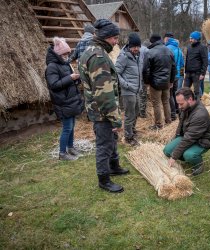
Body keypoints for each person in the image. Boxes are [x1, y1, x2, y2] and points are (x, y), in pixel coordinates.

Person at [79, 19, 129, 193]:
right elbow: (104, 94)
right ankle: (104, 179)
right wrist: (116, 119)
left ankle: (114, 167)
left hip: (101, 109)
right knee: (104, 144)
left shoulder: (93, 51)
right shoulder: (98, 57)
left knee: (111, 140)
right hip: (103, 112)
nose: (116, 42)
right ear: (105, 37)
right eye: (114, 38)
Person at [45, 37, 83, 161]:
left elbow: (68, 81)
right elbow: (54, 85)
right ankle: (62, 153)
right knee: (67, 128)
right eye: (65, 53)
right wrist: (70, 78)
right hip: (63, 102)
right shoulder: (52, 67)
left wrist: (76, 79)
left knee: (72, 126)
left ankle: (70, 147)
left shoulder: (65, 64)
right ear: (59, 54)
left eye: (68, 53)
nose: (67, 55)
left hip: (70, 101)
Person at [163, 88, 210, 176]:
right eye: (178, 104)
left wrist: (174, 157)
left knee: (188, 155)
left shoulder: (200, 115)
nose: (179, 107)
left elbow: (189, 139)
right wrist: (176, 137)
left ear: (190, 99)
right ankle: (185, 153)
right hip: (189, 136)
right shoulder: (186, 107)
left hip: (202, 141)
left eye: (181, 104)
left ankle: (198, 165)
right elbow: (181, 124)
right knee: (167, 151)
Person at [143, 34, 176, 130]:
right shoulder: (168, 50)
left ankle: (158, 124)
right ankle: (168, 121)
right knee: (166, 102)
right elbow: (173, 68)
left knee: (156, 103)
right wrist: (171, 81)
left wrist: (147, 82)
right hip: (166, 82)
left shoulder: (150, 52)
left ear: (151, 42)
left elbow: (146, 70)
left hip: (155, 83)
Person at [115, 33, 143, 146]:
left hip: (137, 89)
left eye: (138, 46)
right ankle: (128, 137)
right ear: (129, 45)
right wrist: (125, 85)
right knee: (129, 114)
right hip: (128, 91)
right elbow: (116, 72)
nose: (136, 48)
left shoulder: (139, 55)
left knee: (136, 112)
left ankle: (132, 130)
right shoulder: (124, 56)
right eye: (134, 46)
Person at [184, 31, 208, 99]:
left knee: (197, 91)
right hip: (188, 73)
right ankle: (186, 105)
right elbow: (187, 59)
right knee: (185, 90)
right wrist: (186, 71)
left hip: (197, 73)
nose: (190, 40)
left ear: (196, 39)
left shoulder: (202, 47)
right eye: (190, 38)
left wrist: (202, 74)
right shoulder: (189, 47)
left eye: (192, 38)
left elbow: (205, 61)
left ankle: (198, 105)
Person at [166, 37, 185, 120]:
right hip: (177, 75)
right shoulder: (179, 50)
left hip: (170, 74)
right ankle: (178, 110)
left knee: (170, 95)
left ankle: (172, 113)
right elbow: (182, 64)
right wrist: (181, 75)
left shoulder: (167, 49)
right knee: (175, 93)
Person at [138, 40, 150, 118]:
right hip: (143, 74)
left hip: (135, 73)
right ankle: (142, 113)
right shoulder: (147, 50)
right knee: (143, 94)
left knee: (137, 93)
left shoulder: (138, 48)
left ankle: (137, 111)